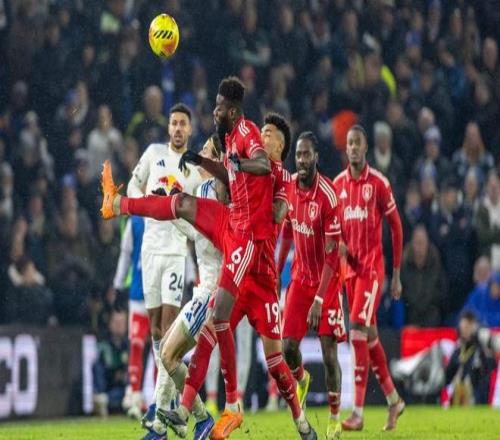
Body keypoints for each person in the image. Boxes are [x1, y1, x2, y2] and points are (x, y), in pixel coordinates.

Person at [100, 81, 316, 439]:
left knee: (269, 358)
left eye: (270, 134)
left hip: (252, 253)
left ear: (280, 145)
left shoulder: (271, 164)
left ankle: (268, 413)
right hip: (232, 230)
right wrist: (206, 163)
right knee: (181, 204)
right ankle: (118, 204)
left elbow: (271, 193)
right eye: (263, 131)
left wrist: (245, 177)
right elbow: (230, 176)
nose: (263, 135)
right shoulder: (231, 149)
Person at [125, 102, 203, 425]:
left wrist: (183, 226)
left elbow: (198, 216)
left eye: (183, 123)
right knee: (156, 330)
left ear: (190, 129)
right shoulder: (153, 154)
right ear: (168, 127)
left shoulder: (194, 172)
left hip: (174, 254)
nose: (178, 128)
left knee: (169, 329)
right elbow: (133, 185)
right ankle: (176, 402)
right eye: (174, 123)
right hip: (149, 252)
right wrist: (145, 204)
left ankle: (160, 405)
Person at [333, 125, 404, 431]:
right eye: (349, 143)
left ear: (365, 148)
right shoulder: (338, 185)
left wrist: (396, 275)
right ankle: (394, 400)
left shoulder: (378, 183)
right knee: (370, 337)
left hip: (372, 269)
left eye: (357, 143)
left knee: (357, 329)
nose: (353, 147)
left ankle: (358, 412)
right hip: (349, 272)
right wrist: (339, 243)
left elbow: (396, 227)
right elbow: (334, 229)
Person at [277, 131, 345, 440]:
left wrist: (319, 300)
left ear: (316, 157)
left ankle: (334, 417)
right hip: (300, 280)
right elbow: (287, 231)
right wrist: (277, 269)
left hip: (326, 285)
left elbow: (332, 257)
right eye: (298, 155)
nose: (301, 160)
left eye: (306, 155)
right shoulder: (290, 187)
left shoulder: (328, 196)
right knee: (287, 347)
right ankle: (302, 379)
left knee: (329, 355)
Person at [112, 215, 149, 419]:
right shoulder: (134, 223)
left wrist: (187, 278)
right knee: (136, 343)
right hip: (137, 294)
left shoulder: (163, 215)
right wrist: (118, 285)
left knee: (160, 348)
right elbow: (125, 255)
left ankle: (158, 402)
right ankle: (135, 396)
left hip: (160, 295)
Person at [445, 311, 497, 405]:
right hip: (458, 397)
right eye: (462, 328)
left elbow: (492, 367)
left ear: (473, 327)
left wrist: (487, 348)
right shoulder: (459, 349)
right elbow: (448, 376)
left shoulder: (481, 349)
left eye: (466, 328)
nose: (463, 332)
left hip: (477, 397)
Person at [92, 308, 129, 417]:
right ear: (110, 324)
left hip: (123, 388)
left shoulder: (129, 345)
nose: (119, 326)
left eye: (121, 323)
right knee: (97, 366)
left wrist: (122, 375)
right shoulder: (104, 345)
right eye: (116, 322)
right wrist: (113, 374)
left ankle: (105, 400)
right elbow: (102, 369)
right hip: (108, 385)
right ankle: (101, 398)